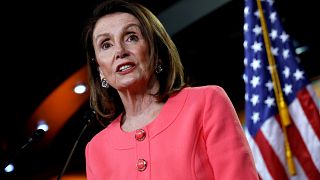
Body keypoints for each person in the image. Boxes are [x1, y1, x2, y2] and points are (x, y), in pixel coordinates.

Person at [82, 0, 259, 179]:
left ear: (156, 51)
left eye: (131, 37)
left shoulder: (206, 102)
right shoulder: (96, 149)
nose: (120, 51)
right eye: (106, 44)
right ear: (99, 70)